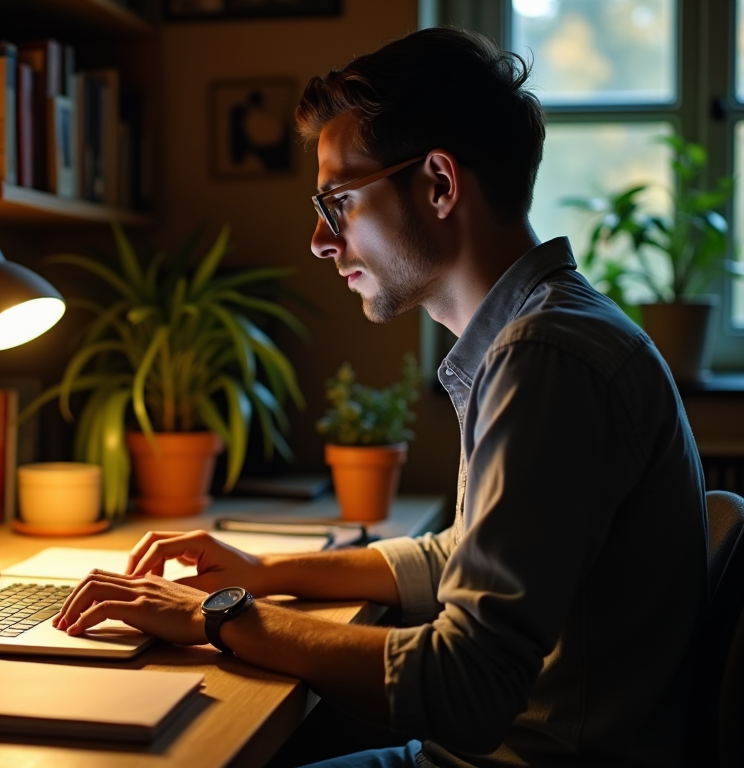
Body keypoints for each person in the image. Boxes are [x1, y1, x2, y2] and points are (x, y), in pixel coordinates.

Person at [54, 27, 707, 768]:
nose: (320, 240)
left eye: (338, 200)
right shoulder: (538, 338)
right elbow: (460, 555)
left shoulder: (544, 358)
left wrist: (221, 614)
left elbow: (469, 683)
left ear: (437, 183)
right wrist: (265, 574)